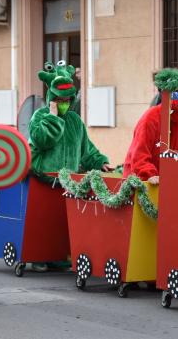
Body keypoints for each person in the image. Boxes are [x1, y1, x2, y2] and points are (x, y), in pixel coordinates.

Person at [29, 60, 112, 272]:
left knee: (61, 222)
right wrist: (54, 117)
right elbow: (42, 140)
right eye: (59, 99)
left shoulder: (75, 121)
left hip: (68, 183)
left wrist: (100, 162)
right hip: (43, 179)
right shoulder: (40, 116)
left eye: (67, 99)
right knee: (42, 221)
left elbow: (86, 149)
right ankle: (39, 255)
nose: (64, 102)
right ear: (51, 99)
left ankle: (57, 256)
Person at [123, 99, 178, 184]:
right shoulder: (151, 117)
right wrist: (149, 174)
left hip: (171, 184)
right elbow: (139, 155)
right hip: (140, 182)